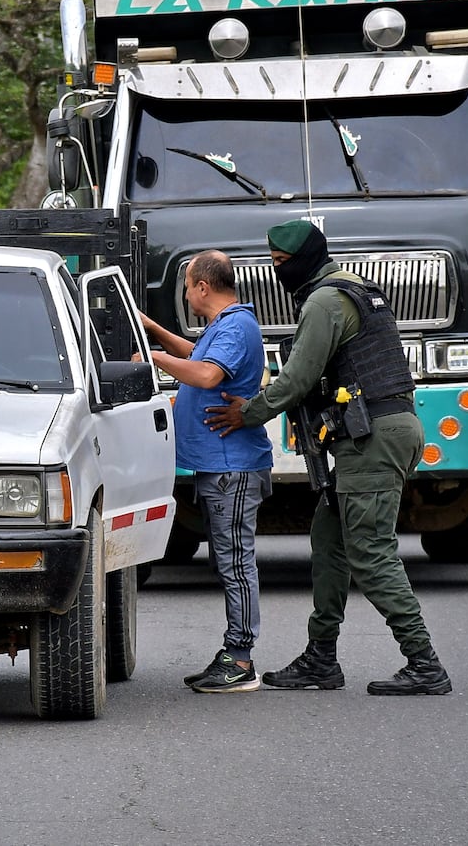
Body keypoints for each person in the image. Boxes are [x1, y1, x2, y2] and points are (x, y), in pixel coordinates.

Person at [204, 219, 452, 696]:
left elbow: (298, 378)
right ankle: (321, 658)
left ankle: (424, 662)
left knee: (370, 553)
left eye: (281, 264)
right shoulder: (358, 288)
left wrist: (248, 413)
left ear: (303, 261)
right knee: (330, 541)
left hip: (373, 437)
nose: (279, 272)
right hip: (379, 431)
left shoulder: (324, 301)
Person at [140, 250, 272, 693]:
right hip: (219, 465)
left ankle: (240, 660)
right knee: (231, 561)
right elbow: (196, 354)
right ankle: (235, 653)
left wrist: (154, 360)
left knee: (235, 563)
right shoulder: (224, 325)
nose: (186, 293)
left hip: (231, 467)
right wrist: (154, 333)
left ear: (202, 287)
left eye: (186, 286)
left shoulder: (236, 325)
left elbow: (207, 374)